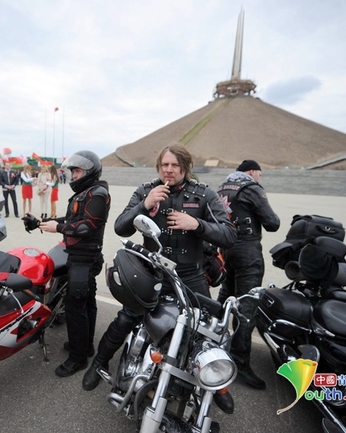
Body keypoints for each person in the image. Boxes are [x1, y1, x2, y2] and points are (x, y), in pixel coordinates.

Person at [82, 144, 237, 412]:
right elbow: (120, 226)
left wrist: (196, 225)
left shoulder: (203, 195)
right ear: (158, 166)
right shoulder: (146, 190)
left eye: (175, 165)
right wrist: (145, 204)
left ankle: (216, 385)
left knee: (206, 330)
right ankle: (99, 362)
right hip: (153, 271)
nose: (169, 169)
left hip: (190, 275)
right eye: (165, 164)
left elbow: (229, 235)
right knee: (126, 318)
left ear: (186, 168)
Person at [38, 150, 110, 378]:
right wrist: (42, 222)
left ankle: (78, 359)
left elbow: (86, 227)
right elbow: (72, 220)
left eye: (77, 171)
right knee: (86, 302)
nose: (74, 175)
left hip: (85, 259)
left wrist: (57, 228)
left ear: (89, 172)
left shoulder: (97, 194)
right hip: (78, 256)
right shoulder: (87, 193)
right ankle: (86, 346)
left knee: (75, 307)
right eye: (72, 171)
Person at [216, 159, 280, 390]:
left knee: (225, 299)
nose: (259, 179)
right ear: (252, 172)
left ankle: (210, 344)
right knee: (247, 308)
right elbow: (273, 223)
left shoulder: (224, 186)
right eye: (259, 175)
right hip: (248, 251)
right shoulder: (251, 187)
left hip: (226, 249)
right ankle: (240, 363)